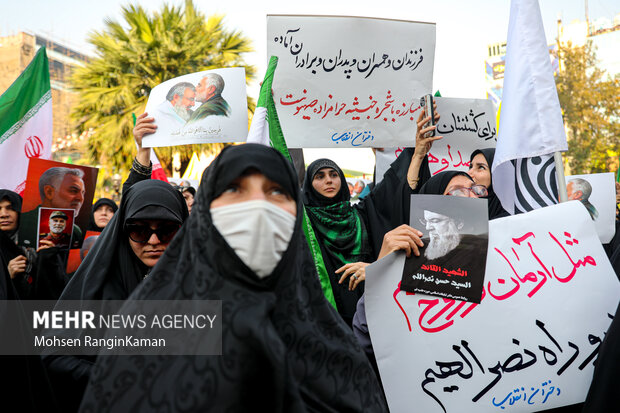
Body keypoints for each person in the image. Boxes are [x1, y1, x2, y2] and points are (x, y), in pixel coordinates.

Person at [78, 143, 387, 412]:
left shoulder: (333, 341)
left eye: (276, 191)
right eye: (235, 190)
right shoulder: (151, 321)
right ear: (204, 210)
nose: (257, 206)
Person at [43, 179, 189, 411]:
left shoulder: (201, 285)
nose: (153, 241)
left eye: (167, 229)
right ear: (123, 230)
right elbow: (54, 354)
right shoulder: (98, 286)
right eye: (139, 230)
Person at [303, 159, 373, 326]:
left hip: (367, 307)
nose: (329, 180)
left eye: (334, 175)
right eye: (320, 176)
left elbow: (391, 189)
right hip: (326, 311)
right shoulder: (304, 220)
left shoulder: (360, 214)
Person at [0, 189, 68, 300]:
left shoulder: (42, 241)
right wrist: (6, 276)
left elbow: (62, 288)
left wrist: (49, 258)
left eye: (11, 208)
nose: (4, 215)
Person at [19, 167, 86, 248]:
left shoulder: (75, 231)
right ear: (49, 192)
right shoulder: (21, 222)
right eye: (73, 191)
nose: (81, 198)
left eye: (83, 193)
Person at [468, 148, 509, 220]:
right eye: (470, 167)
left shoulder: (513, 217)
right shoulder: (464, 208)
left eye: (481, 167)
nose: (469, 173)